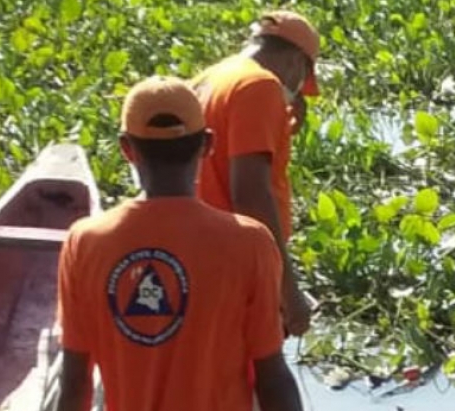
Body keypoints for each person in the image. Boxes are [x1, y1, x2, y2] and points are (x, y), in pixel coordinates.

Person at [55, 75, 304, 411]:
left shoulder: (85, 242)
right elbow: (271, 377)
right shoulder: (251, 243)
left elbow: (74, 383)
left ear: (127, 149)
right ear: (207, 145)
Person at [191, 9, 321, 337]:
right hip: (233, 266)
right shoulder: (259, 87)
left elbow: (222, 154)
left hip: (197, 254)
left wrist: (282, 120)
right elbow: (251, 195)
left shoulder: (212, 77)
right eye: (303, 81)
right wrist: (287, 290)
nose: (299, 90)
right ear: (297, 63)